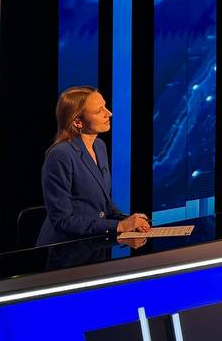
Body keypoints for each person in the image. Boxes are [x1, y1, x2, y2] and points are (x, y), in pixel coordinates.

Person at [38, 86, 150, 246]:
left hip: (95, 242)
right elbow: (63, 221)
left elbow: (103, 204)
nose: (109, 113)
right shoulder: (60, 155)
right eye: (99, 111)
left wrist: (128, 220)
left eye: (105, 106)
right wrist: (120, 226)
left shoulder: (99, 146)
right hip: (65, 249)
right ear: (77, 122)